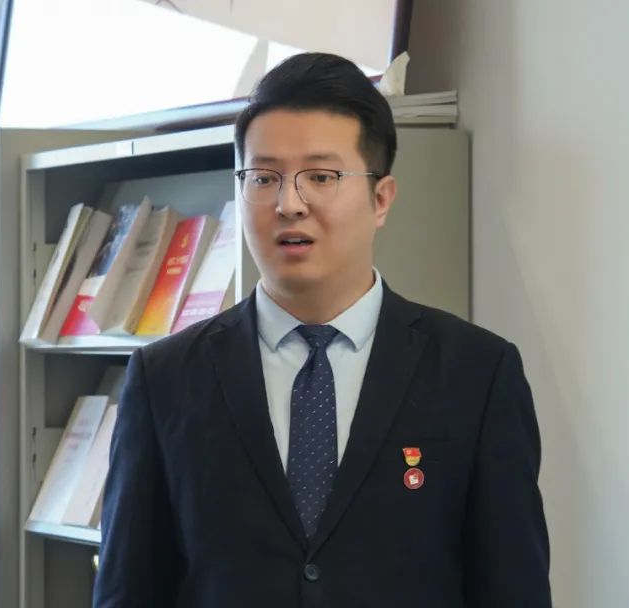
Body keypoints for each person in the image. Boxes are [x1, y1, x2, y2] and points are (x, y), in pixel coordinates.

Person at [93, 52, 551, 607]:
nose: (289, 204)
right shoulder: (164, 378)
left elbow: (513, 590)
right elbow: (128, 590)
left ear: (381, 199)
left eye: (321, 177)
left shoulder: (476, 375)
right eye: (264, 178)